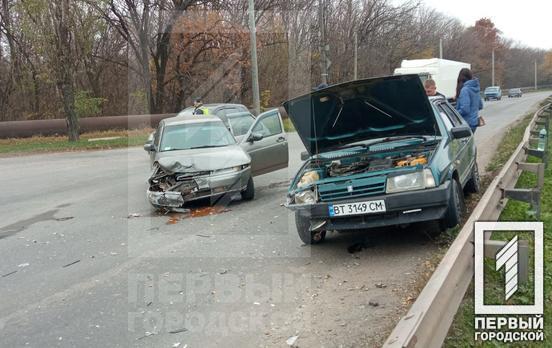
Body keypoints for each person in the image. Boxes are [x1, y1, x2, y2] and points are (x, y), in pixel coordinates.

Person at [455, 68, 484, 132]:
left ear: (460, 78)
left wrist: (455, 113)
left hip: (466, 124)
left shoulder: (465, 90)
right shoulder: (476, 88)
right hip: (474, 123)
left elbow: (465, 109)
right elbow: (480, 105)